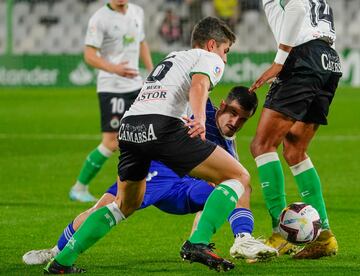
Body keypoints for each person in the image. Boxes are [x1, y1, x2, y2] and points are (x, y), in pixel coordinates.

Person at [43, 17, 256, 273]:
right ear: (212, 45)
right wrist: (200, 118)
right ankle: (197, 242)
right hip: (163, 128)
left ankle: (61, 263)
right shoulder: (208, 58)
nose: (225, 58)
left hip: (130, 127)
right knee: (238, 176)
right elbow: (199, 85)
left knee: (123, 205)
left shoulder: (174, 56)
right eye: (225, 51)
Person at [24, 87, 277, 266]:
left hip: (184, 189)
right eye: (232, 113)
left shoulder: (228, 143)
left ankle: (236, 240)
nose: (235, 122)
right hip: (156, 173)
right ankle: (56, 251)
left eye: (242, 120)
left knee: (238, 185)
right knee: (106, 207)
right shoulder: (198, 106)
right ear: (222, 105)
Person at [249, 0, 342, 258]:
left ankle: (281, 235)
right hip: (329, 60)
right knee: (295, 151)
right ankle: (324, 236)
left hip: (301, 57)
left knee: (262, 145)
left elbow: (297, 9)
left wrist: (280, 60)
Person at [69, 0, 153, 202]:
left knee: (146, 134)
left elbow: (141, 42)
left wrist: (151, 70)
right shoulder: (100, 18)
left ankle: (148, 183)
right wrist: (114, 68)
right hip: (112, 87)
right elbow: (89, 55)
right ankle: (79, 188)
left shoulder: (137, 12)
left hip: (135, 85)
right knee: (111, 142)